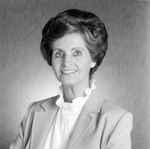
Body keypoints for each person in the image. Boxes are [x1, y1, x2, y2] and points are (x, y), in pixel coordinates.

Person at [10, 9, 133, 149]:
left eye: (77, 53)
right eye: (58, 53)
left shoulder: (116, 120)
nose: (66, 61)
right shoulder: (34, 111)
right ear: (50, 59)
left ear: (94, 59)